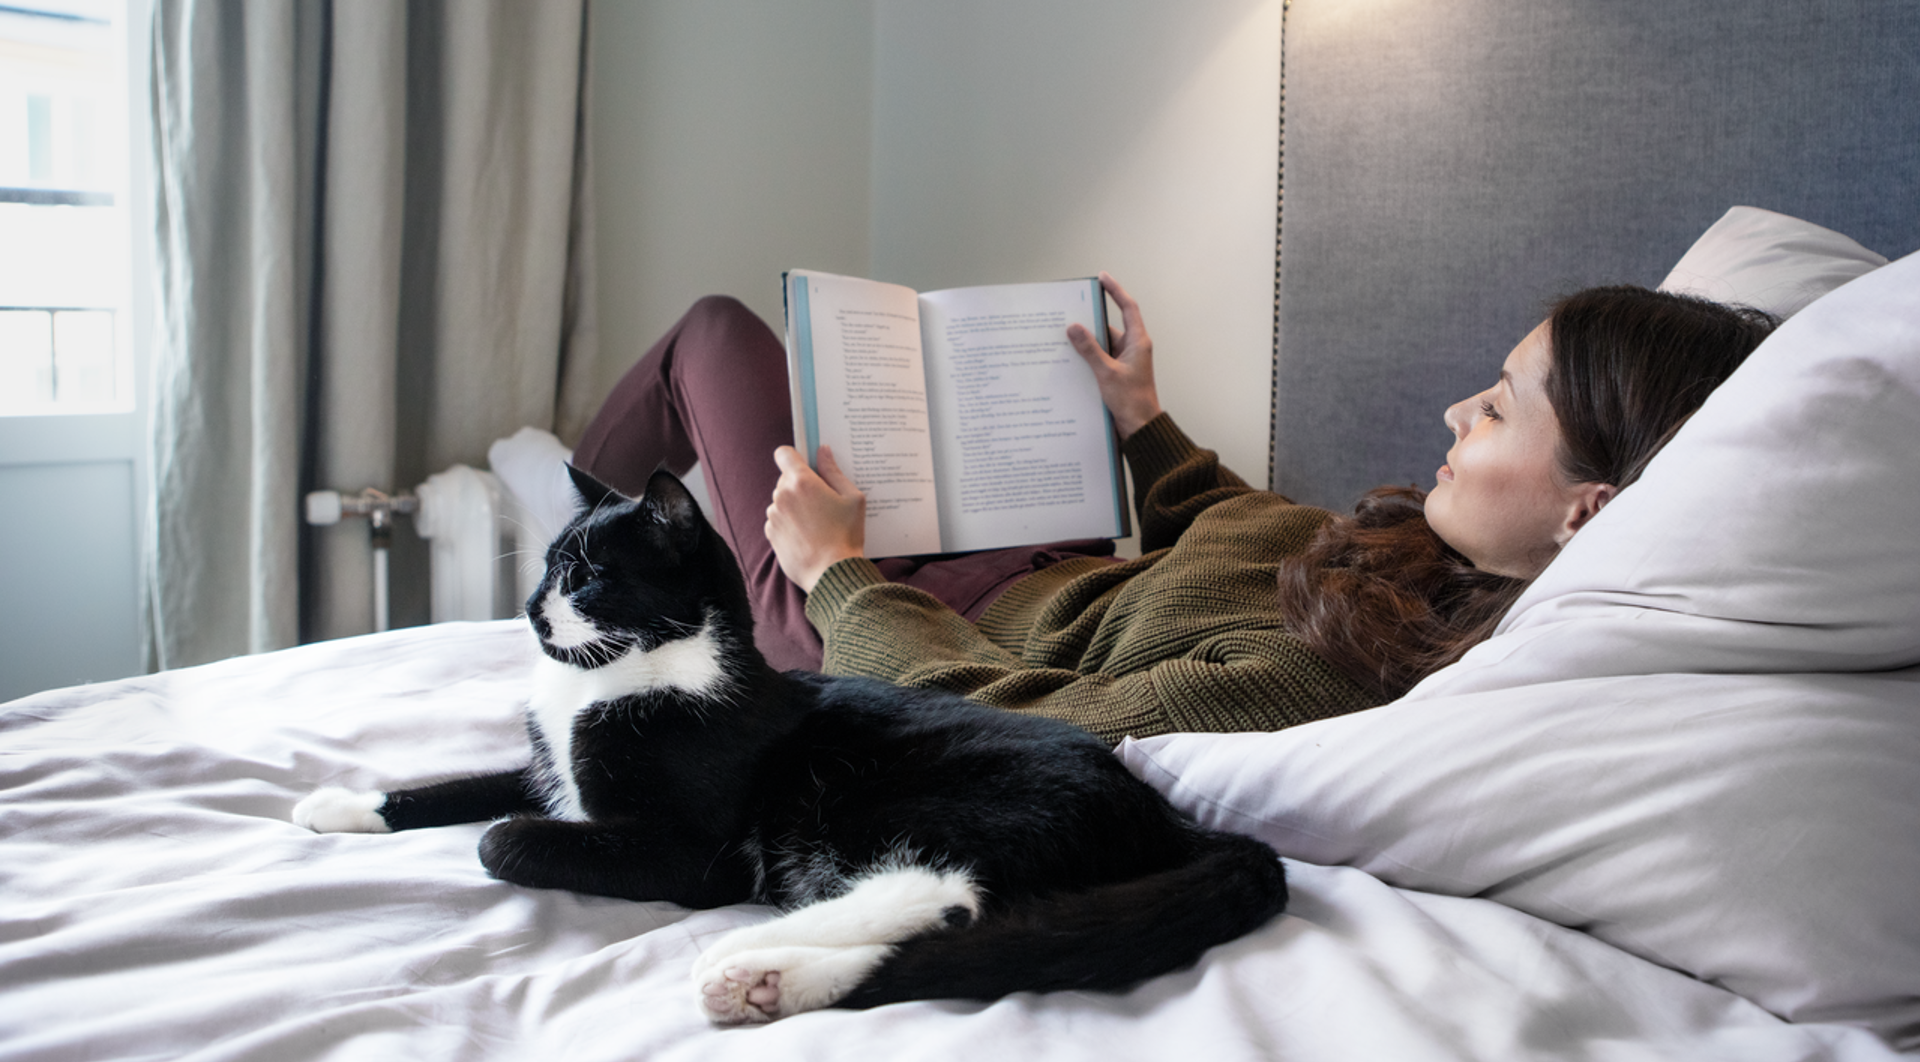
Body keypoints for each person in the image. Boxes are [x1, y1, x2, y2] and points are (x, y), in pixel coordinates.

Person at [571, 274, 1774, 744]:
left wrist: (834, 572)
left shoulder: (1354, 674)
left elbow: (1033, 720)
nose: (1461, 408)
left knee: (716, 335)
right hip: (1043, 566)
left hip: (897, 630)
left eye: (1503, 409)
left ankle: (585, 507)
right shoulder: (1426, 552)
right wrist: (1143, 418)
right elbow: (1251, 534)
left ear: (1587, 512)